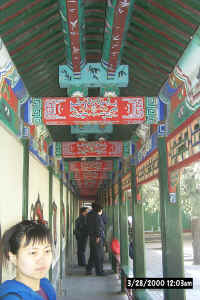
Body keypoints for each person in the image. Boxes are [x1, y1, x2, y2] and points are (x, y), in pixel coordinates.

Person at [0, 220, 56, 300]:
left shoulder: (45, 286)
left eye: (47, 251)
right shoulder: (12, 297)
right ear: (13, 258)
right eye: (33, 253)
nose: (42, 260)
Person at [86, 203, 105, 276]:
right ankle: (99, 271)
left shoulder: (89, 215)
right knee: (98, 255)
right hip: (96, 238)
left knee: (93, 254)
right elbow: (98, 227)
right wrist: (98, 236)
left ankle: (89, 269)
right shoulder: (96, 216)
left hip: (91, 237)